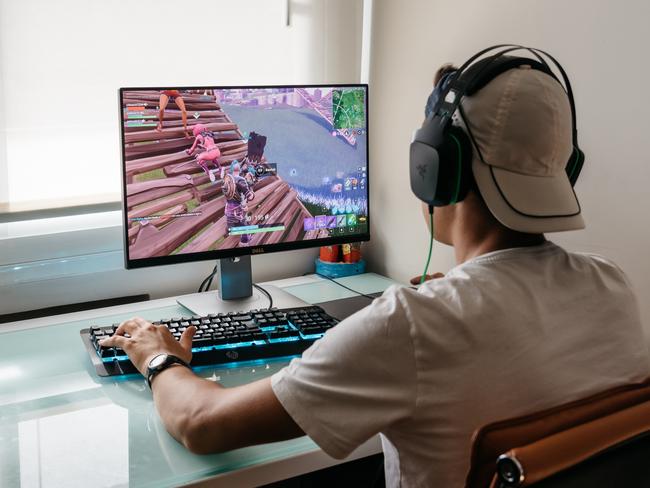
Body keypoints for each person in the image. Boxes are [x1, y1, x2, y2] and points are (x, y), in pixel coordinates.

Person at [100, 52, 650, 486]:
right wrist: (460, 294)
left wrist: (157, 358)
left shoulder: (411, 325)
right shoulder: (612, 285)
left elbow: (203, 425)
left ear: (434, 171)